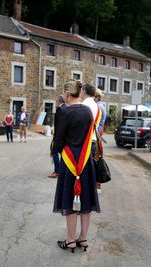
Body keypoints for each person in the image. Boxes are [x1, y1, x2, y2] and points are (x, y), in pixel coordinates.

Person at [53, 80, 100, 253]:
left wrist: (57, 150)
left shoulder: (63, 111)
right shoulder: (88, 111)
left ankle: (70, 240)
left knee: (69, 198)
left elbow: (58, 142)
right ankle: (83, 238)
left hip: (69, 161)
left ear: (66, 93)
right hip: (85, 161)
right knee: (85, 198)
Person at [48, 95, 66, 178]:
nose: (56, 102)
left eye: (56, 101)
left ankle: (57, 171)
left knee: (54, 152)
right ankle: (62, 170)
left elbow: (58, 124)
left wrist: (55, 136)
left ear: (59, 101)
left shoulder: (60, 109)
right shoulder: (66, 107)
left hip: (59, 136)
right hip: (65, 136)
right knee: (62, 153)